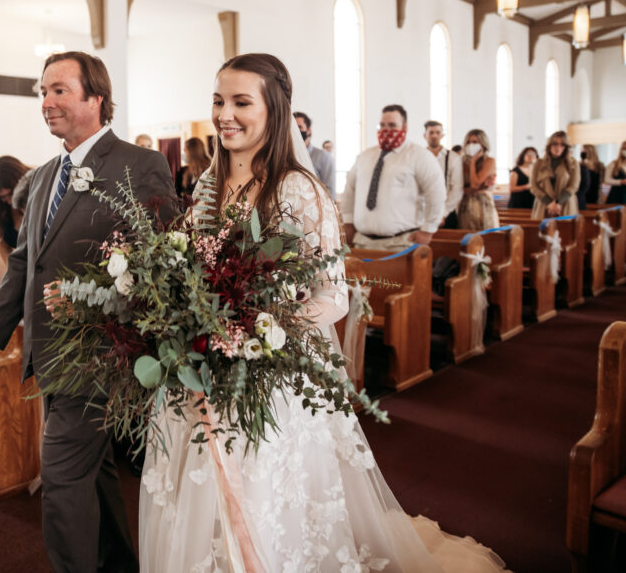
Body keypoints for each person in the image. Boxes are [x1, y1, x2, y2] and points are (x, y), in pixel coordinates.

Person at [139, 53, 505, 572]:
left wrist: (260, 334)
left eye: (241, 102)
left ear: (275, 111)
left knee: (265, 498)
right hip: (202, 369)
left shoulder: (297, 188)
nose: (225, 114)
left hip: (269, 372)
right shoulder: (206, 186)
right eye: (218, 101)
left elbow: (333, 295)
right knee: (199, 500)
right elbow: (194, 268)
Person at [0, 51, 175, 573]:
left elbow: (159, 264)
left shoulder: (139, 165)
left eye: (59, 90)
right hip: (50, 354)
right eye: (43, 92)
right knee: (93, 474)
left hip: (100, 354)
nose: (47, 102)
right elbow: (24, 263)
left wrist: (90, 294)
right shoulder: (42, 178)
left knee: (60, 481)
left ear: (96, 97)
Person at [340, 105, 446, 252]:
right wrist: (348, 222)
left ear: (404, 127)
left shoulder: (419, 155)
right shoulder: (365, 156)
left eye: (392, 125)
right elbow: (349, 192)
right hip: (362, 243)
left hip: (401, 243)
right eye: (382, 125)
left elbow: (436, 193)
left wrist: (428, 230)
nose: (386, 130)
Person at [0, 156, 31, 261]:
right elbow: (2, 245)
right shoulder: (2, 209)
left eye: (11, 194)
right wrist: (11, 270)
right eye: (3, 197)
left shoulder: (39, 196)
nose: (10, 201)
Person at [530, 131, 581, 219]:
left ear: (566, 147)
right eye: (555, 144)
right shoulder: (538, 163)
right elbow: (533, 186)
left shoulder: (573, 163)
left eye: (562, 145)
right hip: (543, 205)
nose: (558, 147)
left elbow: (573, 186)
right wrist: (549, 203)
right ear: (549, 145)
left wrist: (557, 203)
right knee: (543, 227)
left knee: (565, 227)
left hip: (565, 204)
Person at [423, 120, 463, 229]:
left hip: (447, 213)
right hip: (423, 212)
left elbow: (457, 189)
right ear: (425, 135)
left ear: (442, 135)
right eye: (431, 132)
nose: (434, 136)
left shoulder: (453, 158)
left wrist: (443, 213)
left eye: (437, 132)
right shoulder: (418, 157)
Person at [457, 129, 499, 231]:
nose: (471, 145)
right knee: (467, 235)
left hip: (483, 204)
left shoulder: (489, 161)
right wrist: (480, 188)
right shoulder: (460, 162)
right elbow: (457, 188)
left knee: (487, 235)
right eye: (468, 142)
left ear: (483, 144)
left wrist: (472, 162)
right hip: (466, 204)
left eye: (475, 142)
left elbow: (475, 184)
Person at [293, 111, 335, 199]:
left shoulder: (324, 156)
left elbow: (329, 191)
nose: (296, 131)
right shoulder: (287, 156)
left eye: (299, 127)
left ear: (308, 130)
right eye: (293, 128)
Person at [604, 140, 626, 204]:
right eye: (624, 149)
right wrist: (621, 182)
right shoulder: (613, 164)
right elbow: (606, 180)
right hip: (616, 196)